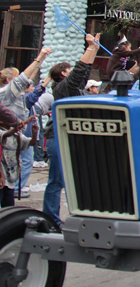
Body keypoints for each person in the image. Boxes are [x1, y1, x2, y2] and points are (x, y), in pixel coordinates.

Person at [43, 33, 101, 226]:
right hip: (58, 138)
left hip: (71, 138)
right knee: (56, 181)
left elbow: (84, 73)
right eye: (68, 69)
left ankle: (76, 216)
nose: (72, 71)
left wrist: (94, 49)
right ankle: (51, 219)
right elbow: (79, 72)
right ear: (63, 73)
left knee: (73, 181)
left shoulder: (75, 89)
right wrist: (89, 48)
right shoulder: (62, 88)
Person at [0, 47, 52, 199]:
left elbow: (27, 80)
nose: (27, 83)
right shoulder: (6, 94)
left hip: (13, 149)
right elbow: (24, 78)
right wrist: (40, 57)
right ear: (10, 81)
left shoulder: (18, 98)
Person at [1, 117, 38, 207]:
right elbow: (5, 134)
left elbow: (30, 143)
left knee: (9, 206)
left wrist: (34, 134)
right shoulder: (5, 132)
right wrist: (19, 126)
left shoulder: (16, 135)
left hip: (11, 176)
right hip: (1, 174)